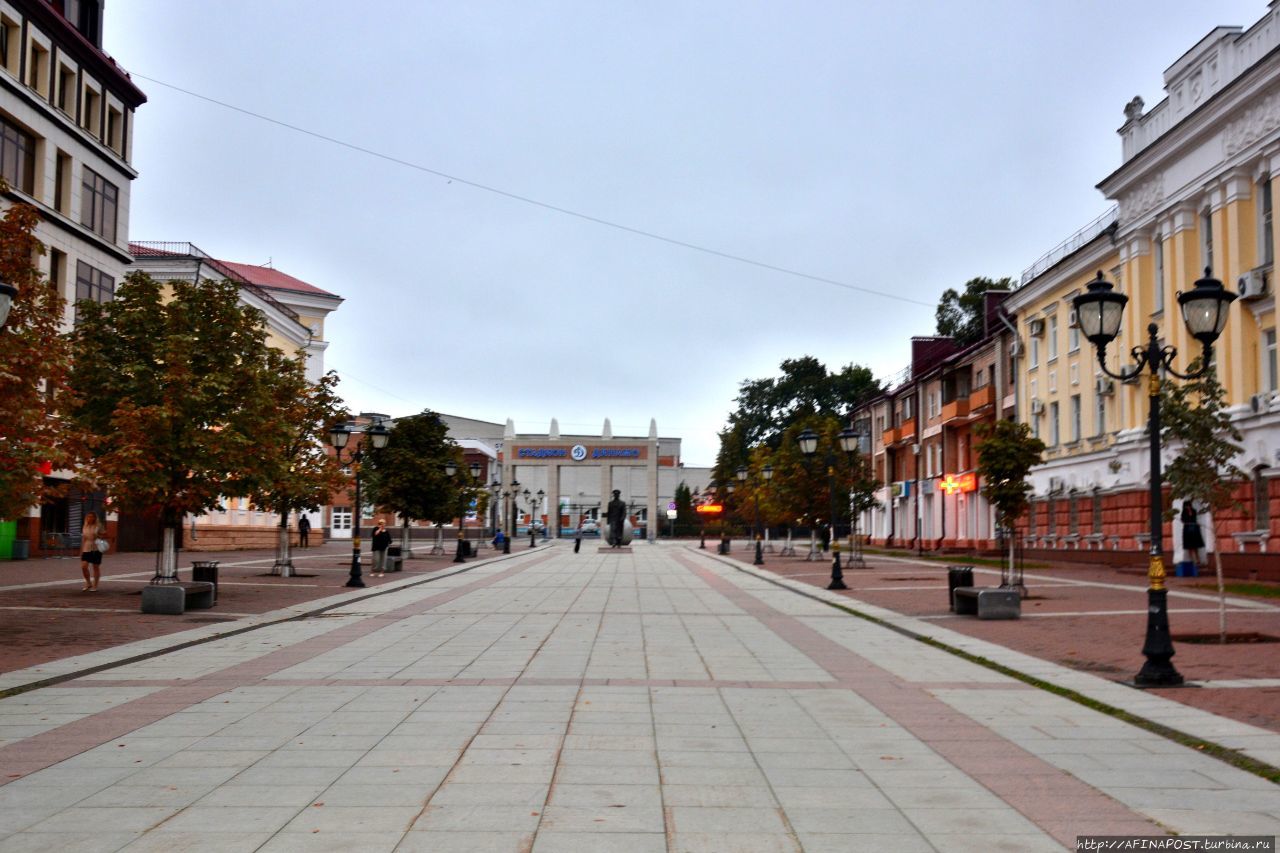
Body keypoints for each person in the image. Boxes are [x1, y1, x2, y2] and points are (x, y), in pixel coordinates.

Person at [79, 511, 104, 591]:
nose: (90, 518)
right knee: (84, 566)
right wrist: (81, 550)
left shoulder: (98, 526)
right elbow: (84, 538)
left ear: (95, 518)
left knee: (95, 567)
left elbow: (104, 535)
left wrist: (99, 535)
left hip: (96, 547)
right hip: (86, 547)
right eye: (88, 516)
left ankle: (95, 585)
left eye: (92, 517)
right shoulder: (85, 526)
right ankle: (88, 582)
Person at [1181, 502, 1205, 567]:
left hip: (1194, 529)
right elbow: (1183, 520)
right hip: (1187, 530)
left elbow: (1194, 519)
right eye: (1187, 506)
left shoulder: (1194, 511)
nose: (1188, 507)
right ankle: (1192, 560)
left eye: (1189, 506)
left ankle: (1198, 560)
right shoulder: (1184, 512)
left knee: (1195, 546)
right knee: (1189, 546)